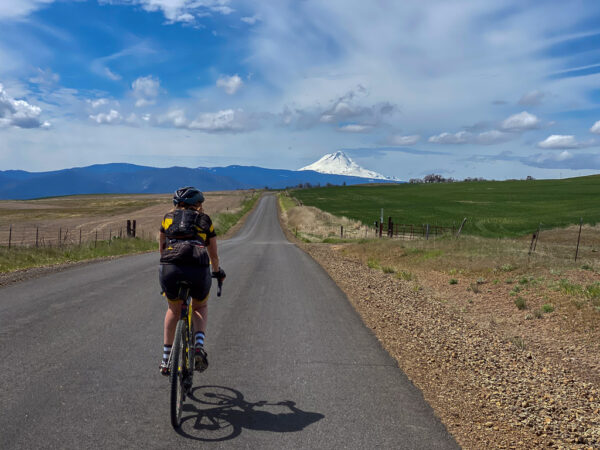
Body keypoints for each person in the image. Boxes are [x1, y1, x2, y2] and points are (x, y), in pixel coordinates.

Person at [158, 186, 226, 375]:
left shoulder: (167, 218)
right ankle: (198, 347)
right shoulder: (205, 220)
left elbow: (162, 249)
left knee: (173, 308)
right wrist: (217, 272)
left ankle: (165, 360)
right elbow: (213, 255)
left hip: (170, 268)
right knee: (199, 307)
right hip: (198, 268)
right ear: (197, 204)